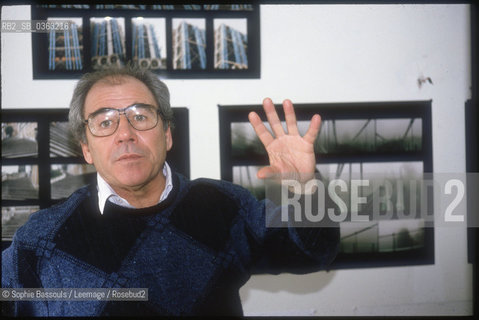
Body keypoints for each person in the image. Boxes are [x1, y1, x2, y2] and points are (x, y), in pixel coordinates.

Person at [2, 65, 339, 316]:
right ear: (86, 149)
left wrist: (306, 186)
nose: (125, 133)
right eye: (105, 122)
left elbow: (313, 250)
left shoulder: (223, 206)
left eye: (141, 116)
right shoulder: (39, 240)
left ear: (166, 135)